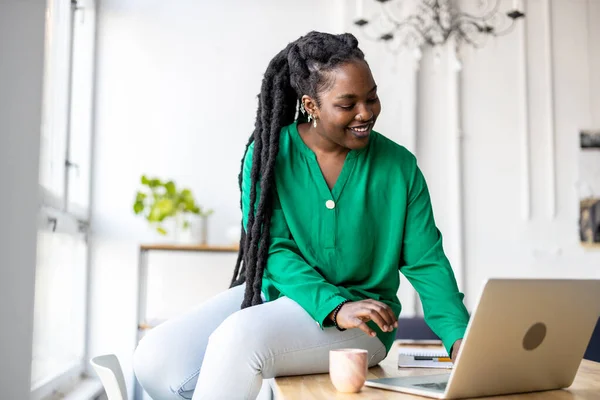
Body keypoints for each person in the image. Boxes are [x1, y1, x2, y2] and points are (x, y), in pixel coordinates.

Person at [133, 31, 470, 400]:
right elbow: (272, 248)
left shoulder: (399, 166)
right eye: (348, 104)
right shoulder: (267, 157)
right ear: (311, 104)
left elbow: (428, 262)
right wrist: (332, 305)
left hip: (364, 322)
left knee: (240, 339)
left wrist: (459, 339)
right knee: (156, 358)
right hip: (280, 296)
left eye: (372, 97)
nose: (366, 112)